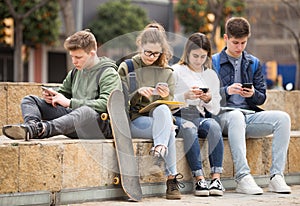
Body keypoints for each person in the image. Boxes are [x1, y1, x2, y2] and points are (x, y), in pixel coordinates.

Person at [212, 17, 291, 195]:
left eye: (243, 43)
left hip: (248, 116)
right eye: (235, 43)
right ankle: (242, 177)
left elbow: (262, 97)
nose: (239, 47)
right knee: (236, 116)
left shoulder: (253, 62)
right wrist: (227, 91)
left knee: (283, 118)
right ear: (225, 38)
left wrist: (253, 94)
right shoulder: (213, 62)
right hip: (224, 117)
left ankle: (276, 176)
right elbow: (208, 98)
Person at [2, 29, 122, 140]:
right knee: (30, 100)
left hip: (99, 127)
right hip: (74, 121)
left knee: (86, 111)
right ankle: (31, 127)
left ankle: (42, 129)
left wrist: (69, 103)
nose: (74, 61)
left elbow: (107, 104)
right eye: (72, 56)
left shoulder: (108, 73)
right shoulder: (75, 72)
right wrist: (53, 96)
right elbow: (63, 92)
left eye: (78, 57)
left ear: (92, 53)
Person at [118, 23, 184, 200]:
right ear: (140, 46)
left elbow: (170, 107)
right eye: (148, 52)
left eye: (156, 53)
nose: (151, 57)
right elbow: (117, 102)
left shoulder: (167, 72)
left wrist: (166, 96)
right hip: (133, 121)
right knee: (169, 129)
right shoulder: (127, 67)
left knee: (163, 109)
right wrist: (137, 94)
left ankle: (159, 153)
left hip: (158, 120)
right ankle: (171, 180)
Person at [172, 33, 224, 196]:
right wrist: (185, 96)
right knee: (188, 128)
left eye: (203, 56)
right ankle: (199, 179)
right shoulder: (175, 71)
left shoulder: (210, 75)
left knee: (214, 126)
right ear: (187, 53)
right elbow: (167, 101)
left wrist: (208, 99)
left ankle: (216, 179)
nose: (198, 60)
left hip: (200, 115)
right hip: (179, 115)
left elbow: (215, 109)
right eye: (195, 55)